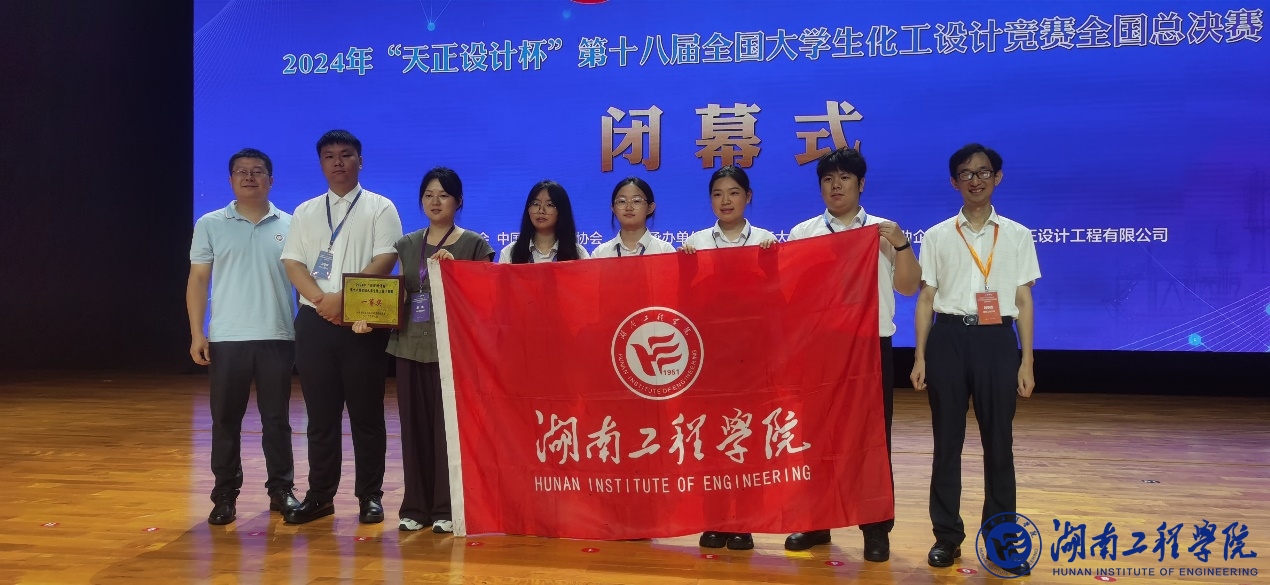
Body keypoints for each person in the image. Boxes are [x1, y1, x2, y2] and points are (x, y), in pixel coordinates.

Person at [784, 147, 920, 561]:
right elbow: (790, 294)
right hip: (820, 348)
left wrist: (901, 245)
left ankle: (876, 528)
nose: (836, 186)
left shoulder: (883, 231)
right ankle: (816, 521)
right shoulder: (803, 233)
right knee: (815, 436)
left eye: (844, 178)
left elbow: (908, 288)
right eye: (828, 179)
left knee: (871, 440)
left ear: (861, 184)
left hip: (869, 348)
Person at [910, 143, 1039, 572]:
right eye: (966, 173)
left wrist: (1026, 360)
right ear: (954, 182)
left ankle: (1001, 543)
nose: (975, 180)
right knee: (946, 444)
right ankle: (946, 537)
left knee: (999, 445)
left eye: (984, 172)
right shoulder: (937, 235)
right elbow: (925, 298)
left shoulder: (1017, 234)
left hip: (997, 341)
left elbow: (1023, 299)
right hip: (947, 338)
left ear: (997, 177)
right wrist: (920, 356)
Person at [279, 130, 403, 525]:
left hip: (363, 323)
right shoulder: (305, 211)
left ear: (360, 161)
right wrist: (322, 300)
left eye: (346, 154)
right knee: (320, 417)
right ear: (321, 163)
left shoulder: (380, 207)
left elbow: (385, 258)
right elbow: (293, 262)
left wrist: (343, 300)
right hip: (315, 321)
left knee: (367, 416)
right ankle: (320, 496)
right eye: (329, 156)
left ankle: (370, 496)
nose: (338, 162)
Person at [374, 167, 493, 534]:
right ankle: (415, 507)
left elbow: (486, 298)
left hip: (453, 350)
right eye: (428, 195)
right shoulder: (408, 244)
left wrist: (459, 273)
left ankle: (447, 507)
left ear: (458, 201)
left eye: (443, 195)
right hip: (410, 345)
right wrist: (368, 315)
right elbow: (400, 294)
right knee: (414, 429)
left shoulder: (475, 244)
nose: (435, 201)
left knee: (448, 431)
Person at [187, 148, 301, 525]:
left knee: (277, 420)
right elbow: (198, 279)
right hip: (227, 337)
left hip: (277, 334)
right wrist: (197, 332)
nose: (249, 177)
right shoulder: (210, 223)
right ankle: (224, 495)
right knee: (225, 421)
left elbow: (306, 280)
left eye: (257, 171)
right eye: (241, 172)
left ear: (271, 179)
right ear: (231, 180)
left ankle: (281, 490)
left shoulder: (293, 224)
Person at [681, 165, 777, 255]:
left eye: (733, 193)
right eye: (718, 194)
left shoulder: (765, 240)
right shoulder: (695, 243)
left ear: (748, 196)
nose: (725, 201)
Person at [498, 180, 589, 263]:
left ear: (562, 211)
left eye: (549, 205)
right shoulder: (509, 253)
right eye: (535, 204)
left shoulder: (579, 254)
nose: (541, 210)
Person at [589, 177, 676, 258]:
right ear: (613, 209)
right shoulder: (600, 254)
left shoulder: (665, 251)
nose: (629, 208)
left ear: (650, 208)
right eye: (622, 201)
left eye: (636, 201)